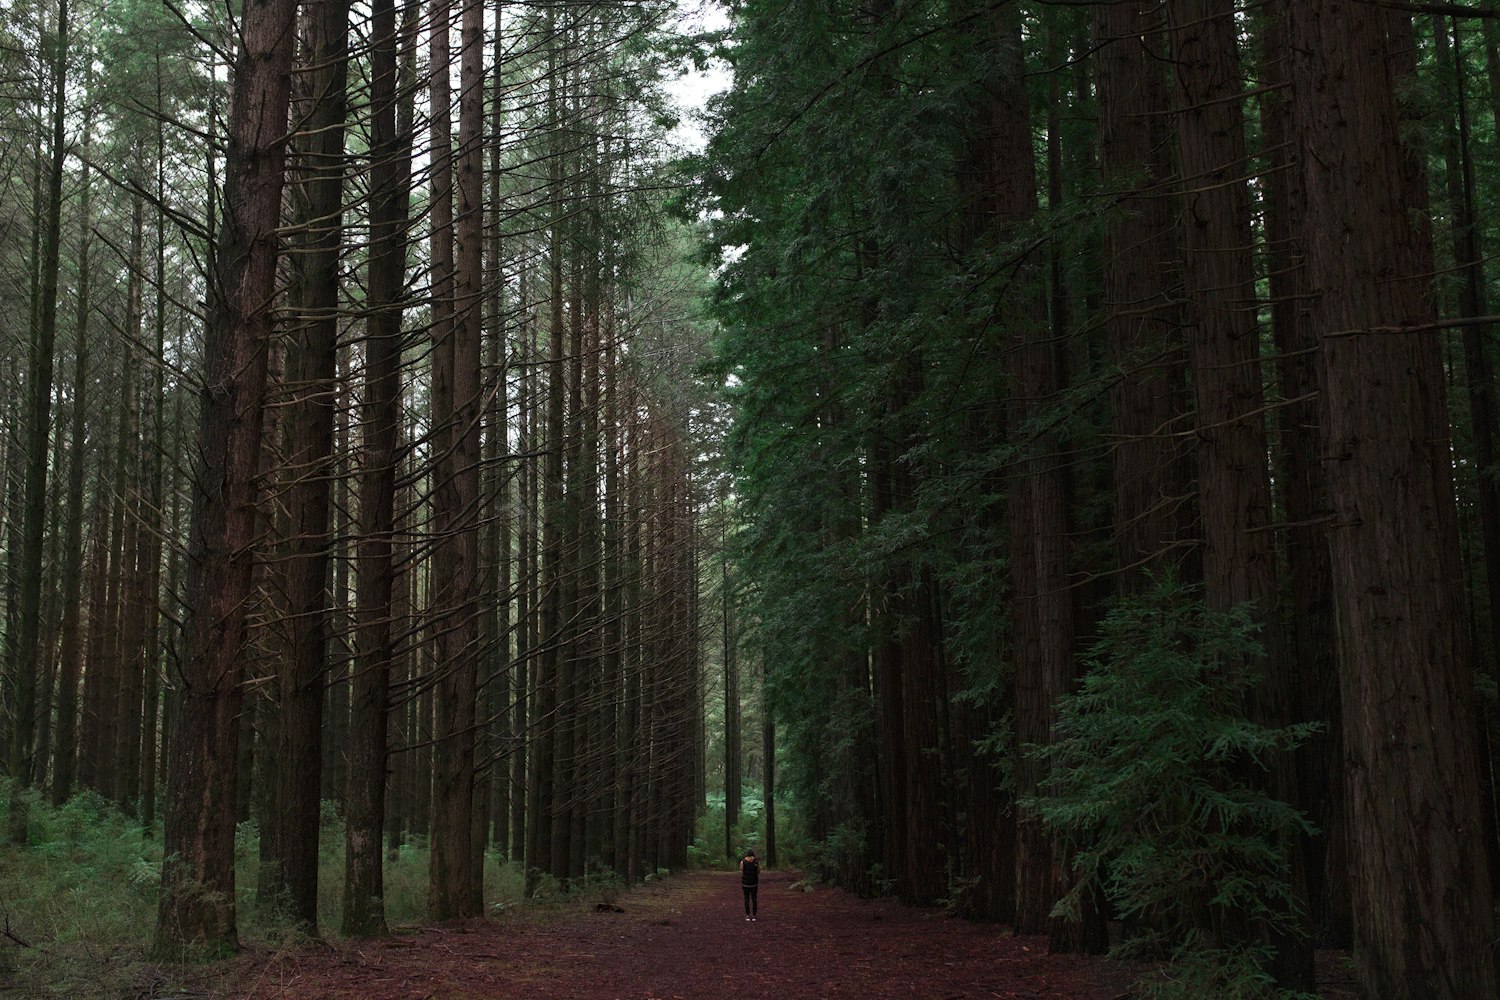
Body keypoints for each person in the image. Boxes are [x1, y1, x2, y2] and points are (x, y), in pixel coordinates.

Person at [739, 849, 760, 921]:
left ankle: (747, 915)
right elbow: (758, 871)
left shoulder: (743, 862)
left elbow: (741, 869)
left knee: (746, 899)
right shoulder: (756, 862)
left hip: (745, 883)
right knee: (754, 899)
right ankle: (754, 915)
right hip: (754, 883)